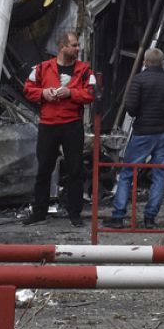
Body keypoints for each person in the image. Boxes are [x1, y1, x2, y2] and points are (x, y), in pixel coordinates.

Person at [22, 31, 95, 227]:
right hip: (48, 125)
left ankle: (75, 213)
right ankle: (39, 212)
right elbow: (27, 89)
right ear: (62, 47)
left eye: (78, 45)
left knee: (75, 170)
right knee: (44, 169)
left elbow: (91, 93)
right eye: (74, 45)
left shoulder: (85, 70)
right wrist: (43, 93)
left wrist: (70, 92)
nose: (78, 49)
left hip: (72, 125)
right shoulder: (42, 68)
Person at [108, 47, 164, 229]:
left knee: (126, 174)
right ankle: (150, 218)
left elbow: (131, 108)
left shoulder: (139, 80)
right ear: (163, 62)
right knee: (159, 175)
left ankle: (118, 216)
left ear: (145, 62)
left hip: (143, 133)